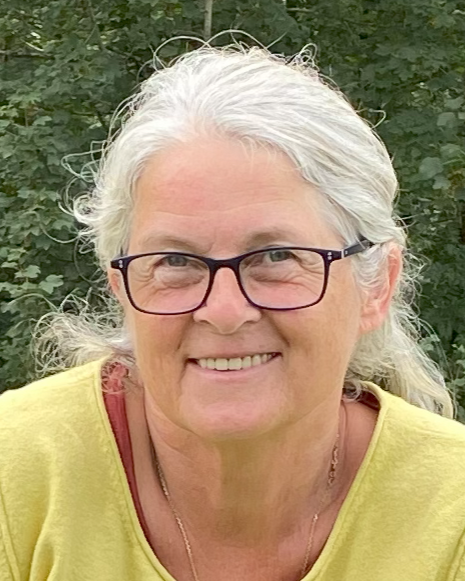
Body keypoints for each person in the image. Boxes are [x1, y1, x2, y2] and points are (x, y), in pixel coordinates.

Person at [0, 46, 464, 581]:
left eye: (276, 257)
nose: (223, 311)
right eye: (175, 261)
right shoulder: (17, 474)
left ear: (377, 285)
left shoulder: (451, 513)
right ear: (122, 290)